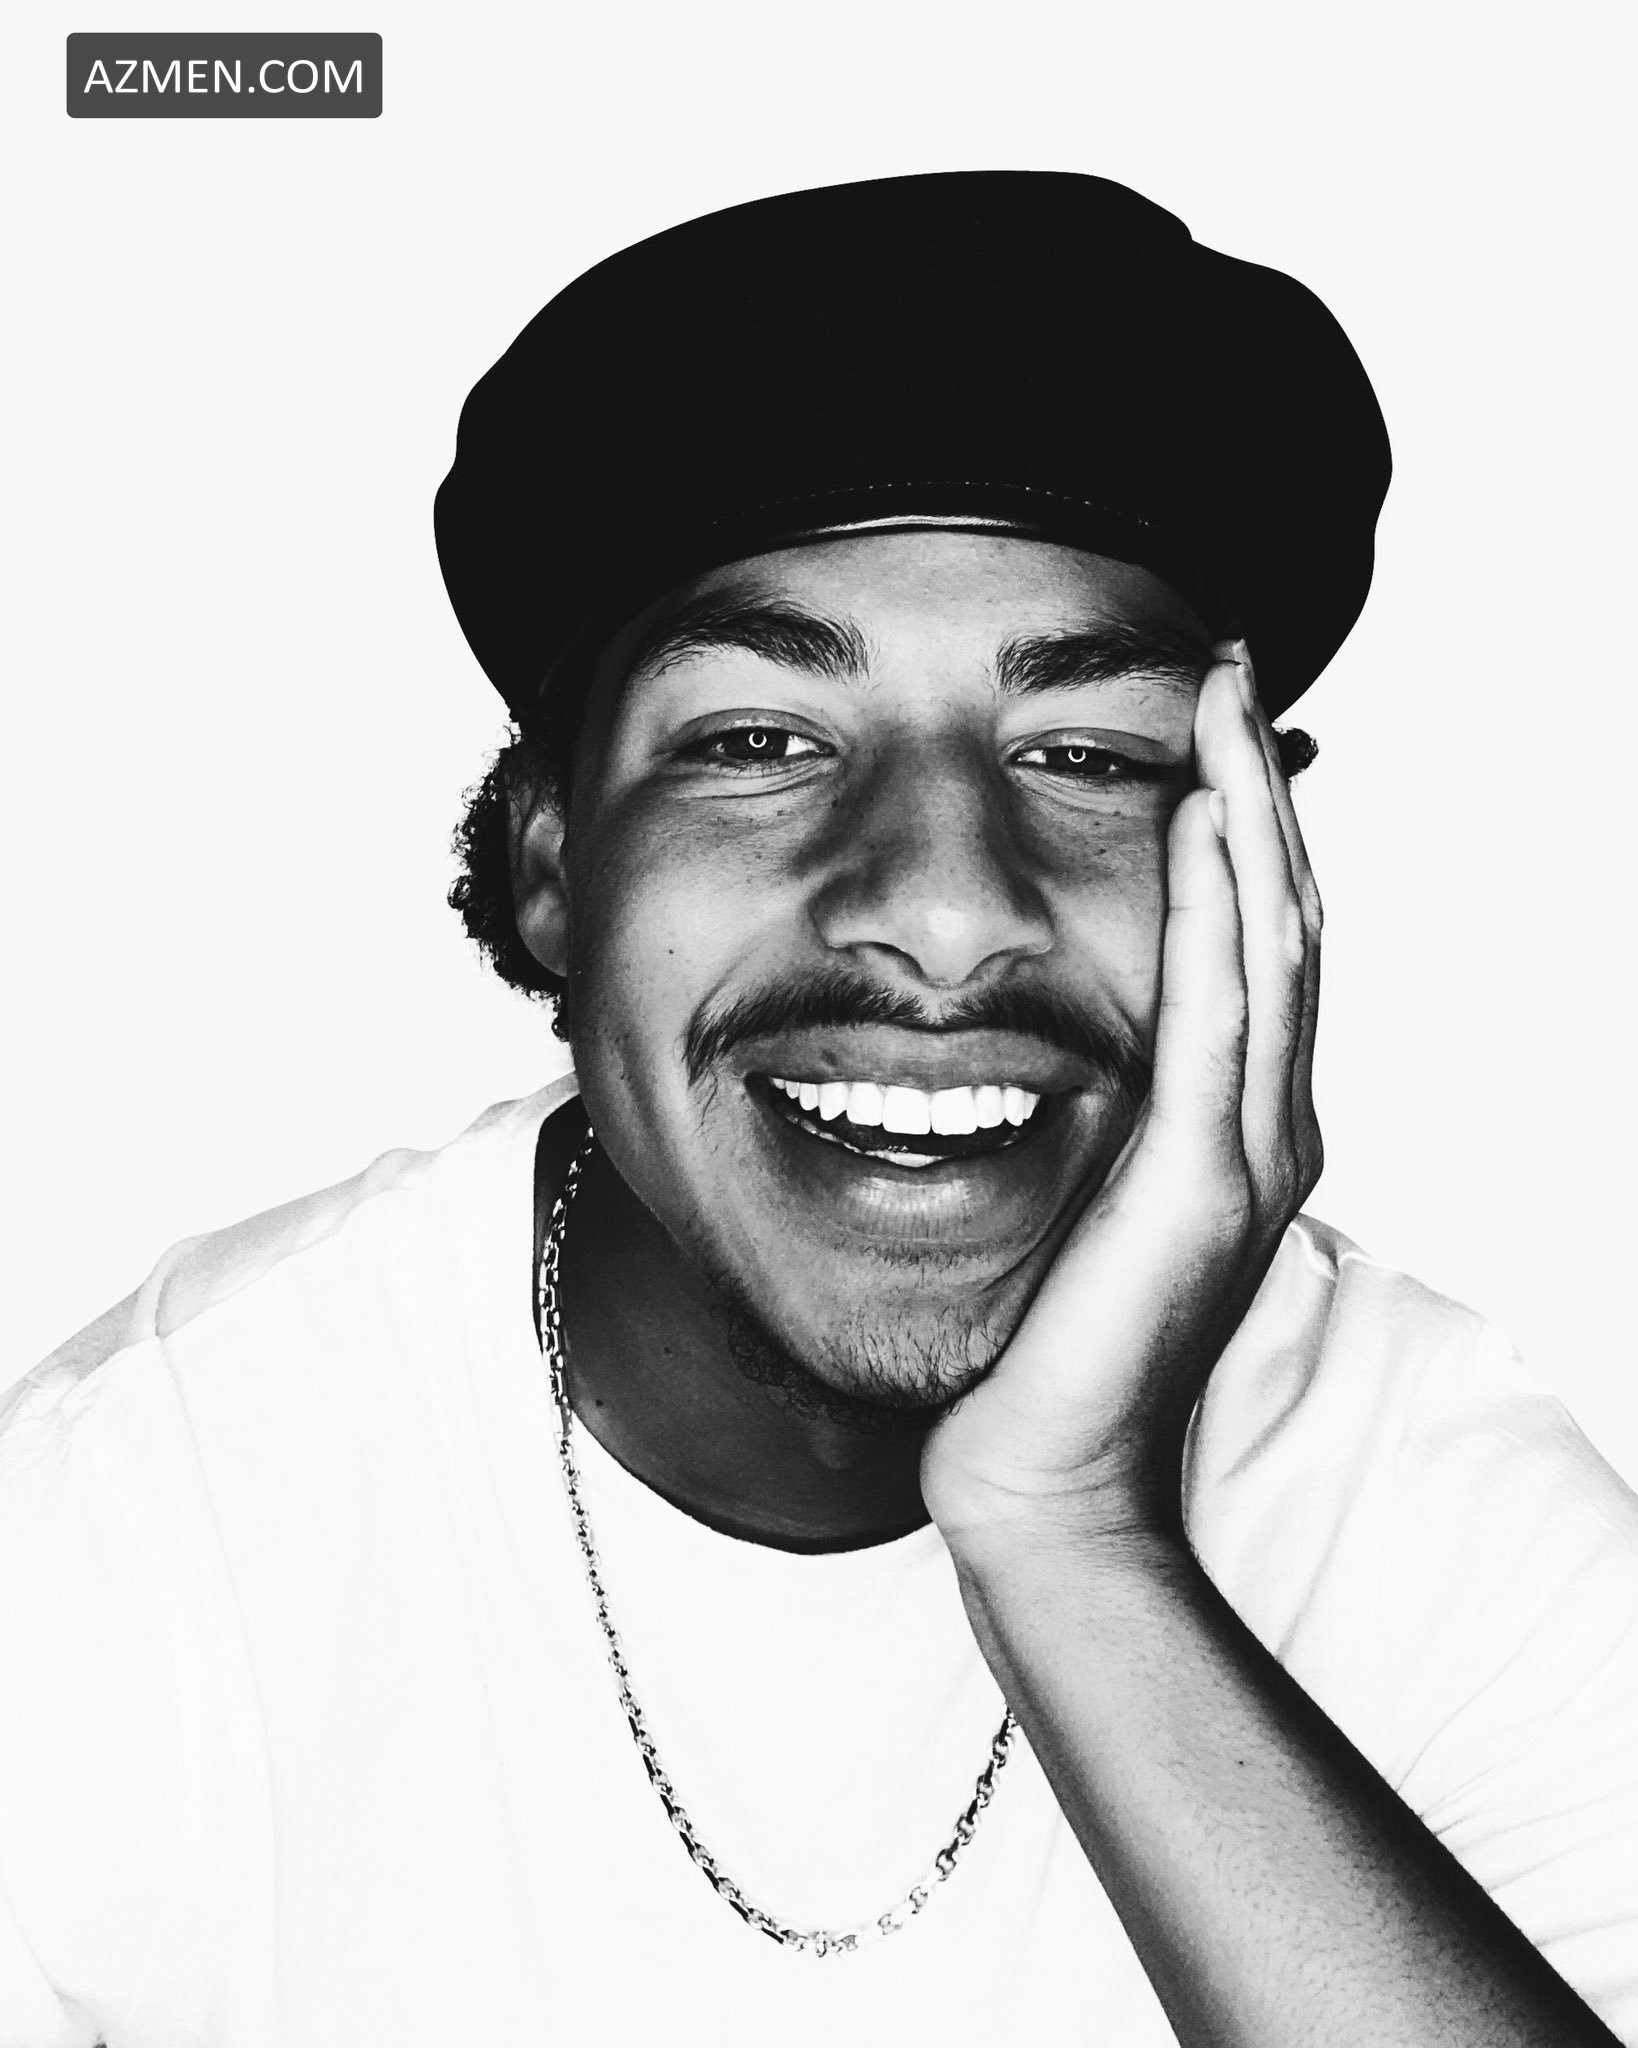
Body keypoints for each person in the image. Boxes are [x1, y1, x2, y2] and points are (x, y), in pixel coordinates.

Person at [2, 171, 1634, 2048]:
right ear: (553, 862)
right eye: (757, 744)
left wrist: (1071, 1532)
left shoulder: (1425, 1495)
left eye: (1088, 756)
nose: (940, 907)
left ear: (1260, 867)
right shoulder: (138, 1528)